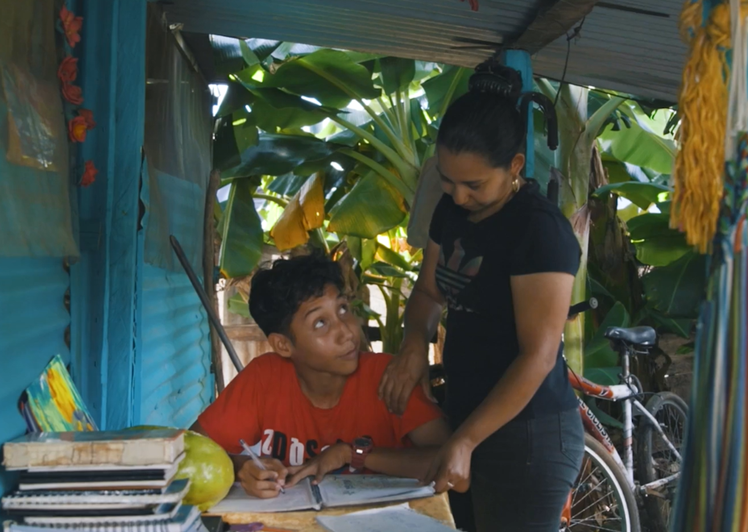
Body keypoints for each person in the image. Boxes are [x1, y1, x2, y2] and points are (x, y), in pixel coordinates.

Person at [378, 61, 585, 532]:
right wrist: (413, 344)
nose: (459, 196)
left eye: (474, 185)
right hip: (466, 417)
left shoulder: (537, 231)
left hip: (528, 434)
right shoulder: (449, 213)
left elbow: (537, 355)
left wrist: (467, 440)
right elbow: (429, 293)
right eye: (448, 182)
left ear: (514, 167)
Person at [190, 252, 468, 499]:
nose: (346, 332)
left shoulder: (389, 377)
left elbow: (452, 466)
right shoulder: (264, 378)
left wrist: (353, 454)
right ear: (283, 345)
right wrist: (243, 469)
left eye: (343, 309)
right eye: (320, 323)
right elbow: (188, 451)